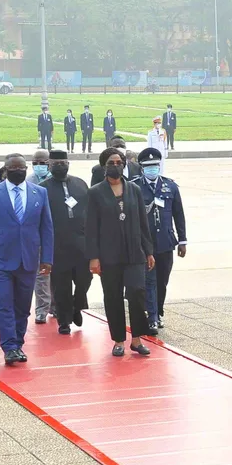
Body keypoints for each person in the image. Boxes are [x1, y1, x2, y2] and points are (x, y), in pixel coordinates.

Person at [0, 154, 53, 365]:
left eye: (22, 168)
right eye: (13, 168)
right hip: (0, 260)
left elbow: (46, 228)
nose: (18, 171)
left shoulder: (40, 193)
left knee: (23, 306)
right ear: (5, 171)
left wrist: (47, 258)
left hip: (28, 260)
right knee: (3, 304)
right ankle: (9, 346)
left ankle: (18, 342)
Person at [86, 148, 153, 356]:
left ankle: (137, 338)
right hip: (109, 255)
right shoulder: (95, 192)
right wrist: (94, 257)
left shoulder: (134, 189)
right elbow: (91, 227)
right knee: (113, 296)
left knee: (137, 292)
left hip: (134, 253)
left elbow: (143, 223)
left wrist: (148, 251)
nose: (115, 166)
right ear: (104, 166)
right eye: (111, 163)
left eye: (118, 162)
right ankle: (118, 340)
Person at [132, 147, 186, 332]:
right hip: (145, 244)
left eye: (155, 165)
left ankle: (159, 311)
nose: (152, 169)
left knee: (162, 280)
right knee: (150, 281)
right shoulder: (135, 186)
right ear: (141, 167)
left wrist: (183, 240)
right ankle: (152, 317)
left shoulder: (169, 186)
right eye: (148, 166)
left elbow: (178, 214)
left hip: (165, 241)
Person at [42, 150, 92, 335]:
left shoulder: (80, 184)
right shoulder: (42, 188)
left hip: (81, 244)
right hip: (57, 245)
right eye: (55, 163)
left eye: (63, 162)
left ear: (68, 163)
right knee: (61, 286)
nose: (60, 166)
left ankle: (76, 306)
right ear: (49, 165)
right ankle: (64, 321)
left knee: (84, 280)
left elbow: (90, 212)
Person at [28, 149, 55, 324]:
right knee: (41, 275)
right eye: (36, 163)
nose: (39, 166)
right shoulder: (28, 181)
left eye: (43, 163)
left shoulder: (57, 180)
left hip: (56, 234)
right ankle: (42, 309)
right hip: (37, 235)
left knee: (57, 274)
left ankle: (56, 305)